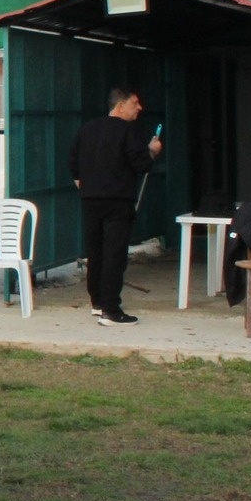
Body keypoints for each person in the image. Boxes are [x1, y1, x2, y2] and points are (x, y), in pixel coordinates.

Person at [70, 89, 162, 327]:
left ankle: (98, 302)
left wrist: (84, 182)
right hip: (117, 200)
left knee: (96, 251)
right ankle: (111, 309)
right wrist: (152, 151)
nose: (139, 108)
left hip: (89, 199)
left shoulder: (87, 128)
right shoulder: (127, 131)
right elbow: (140, 164)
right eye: (135, 103)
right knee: (114, 253)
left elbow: (73, 162)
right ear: (120, 106)